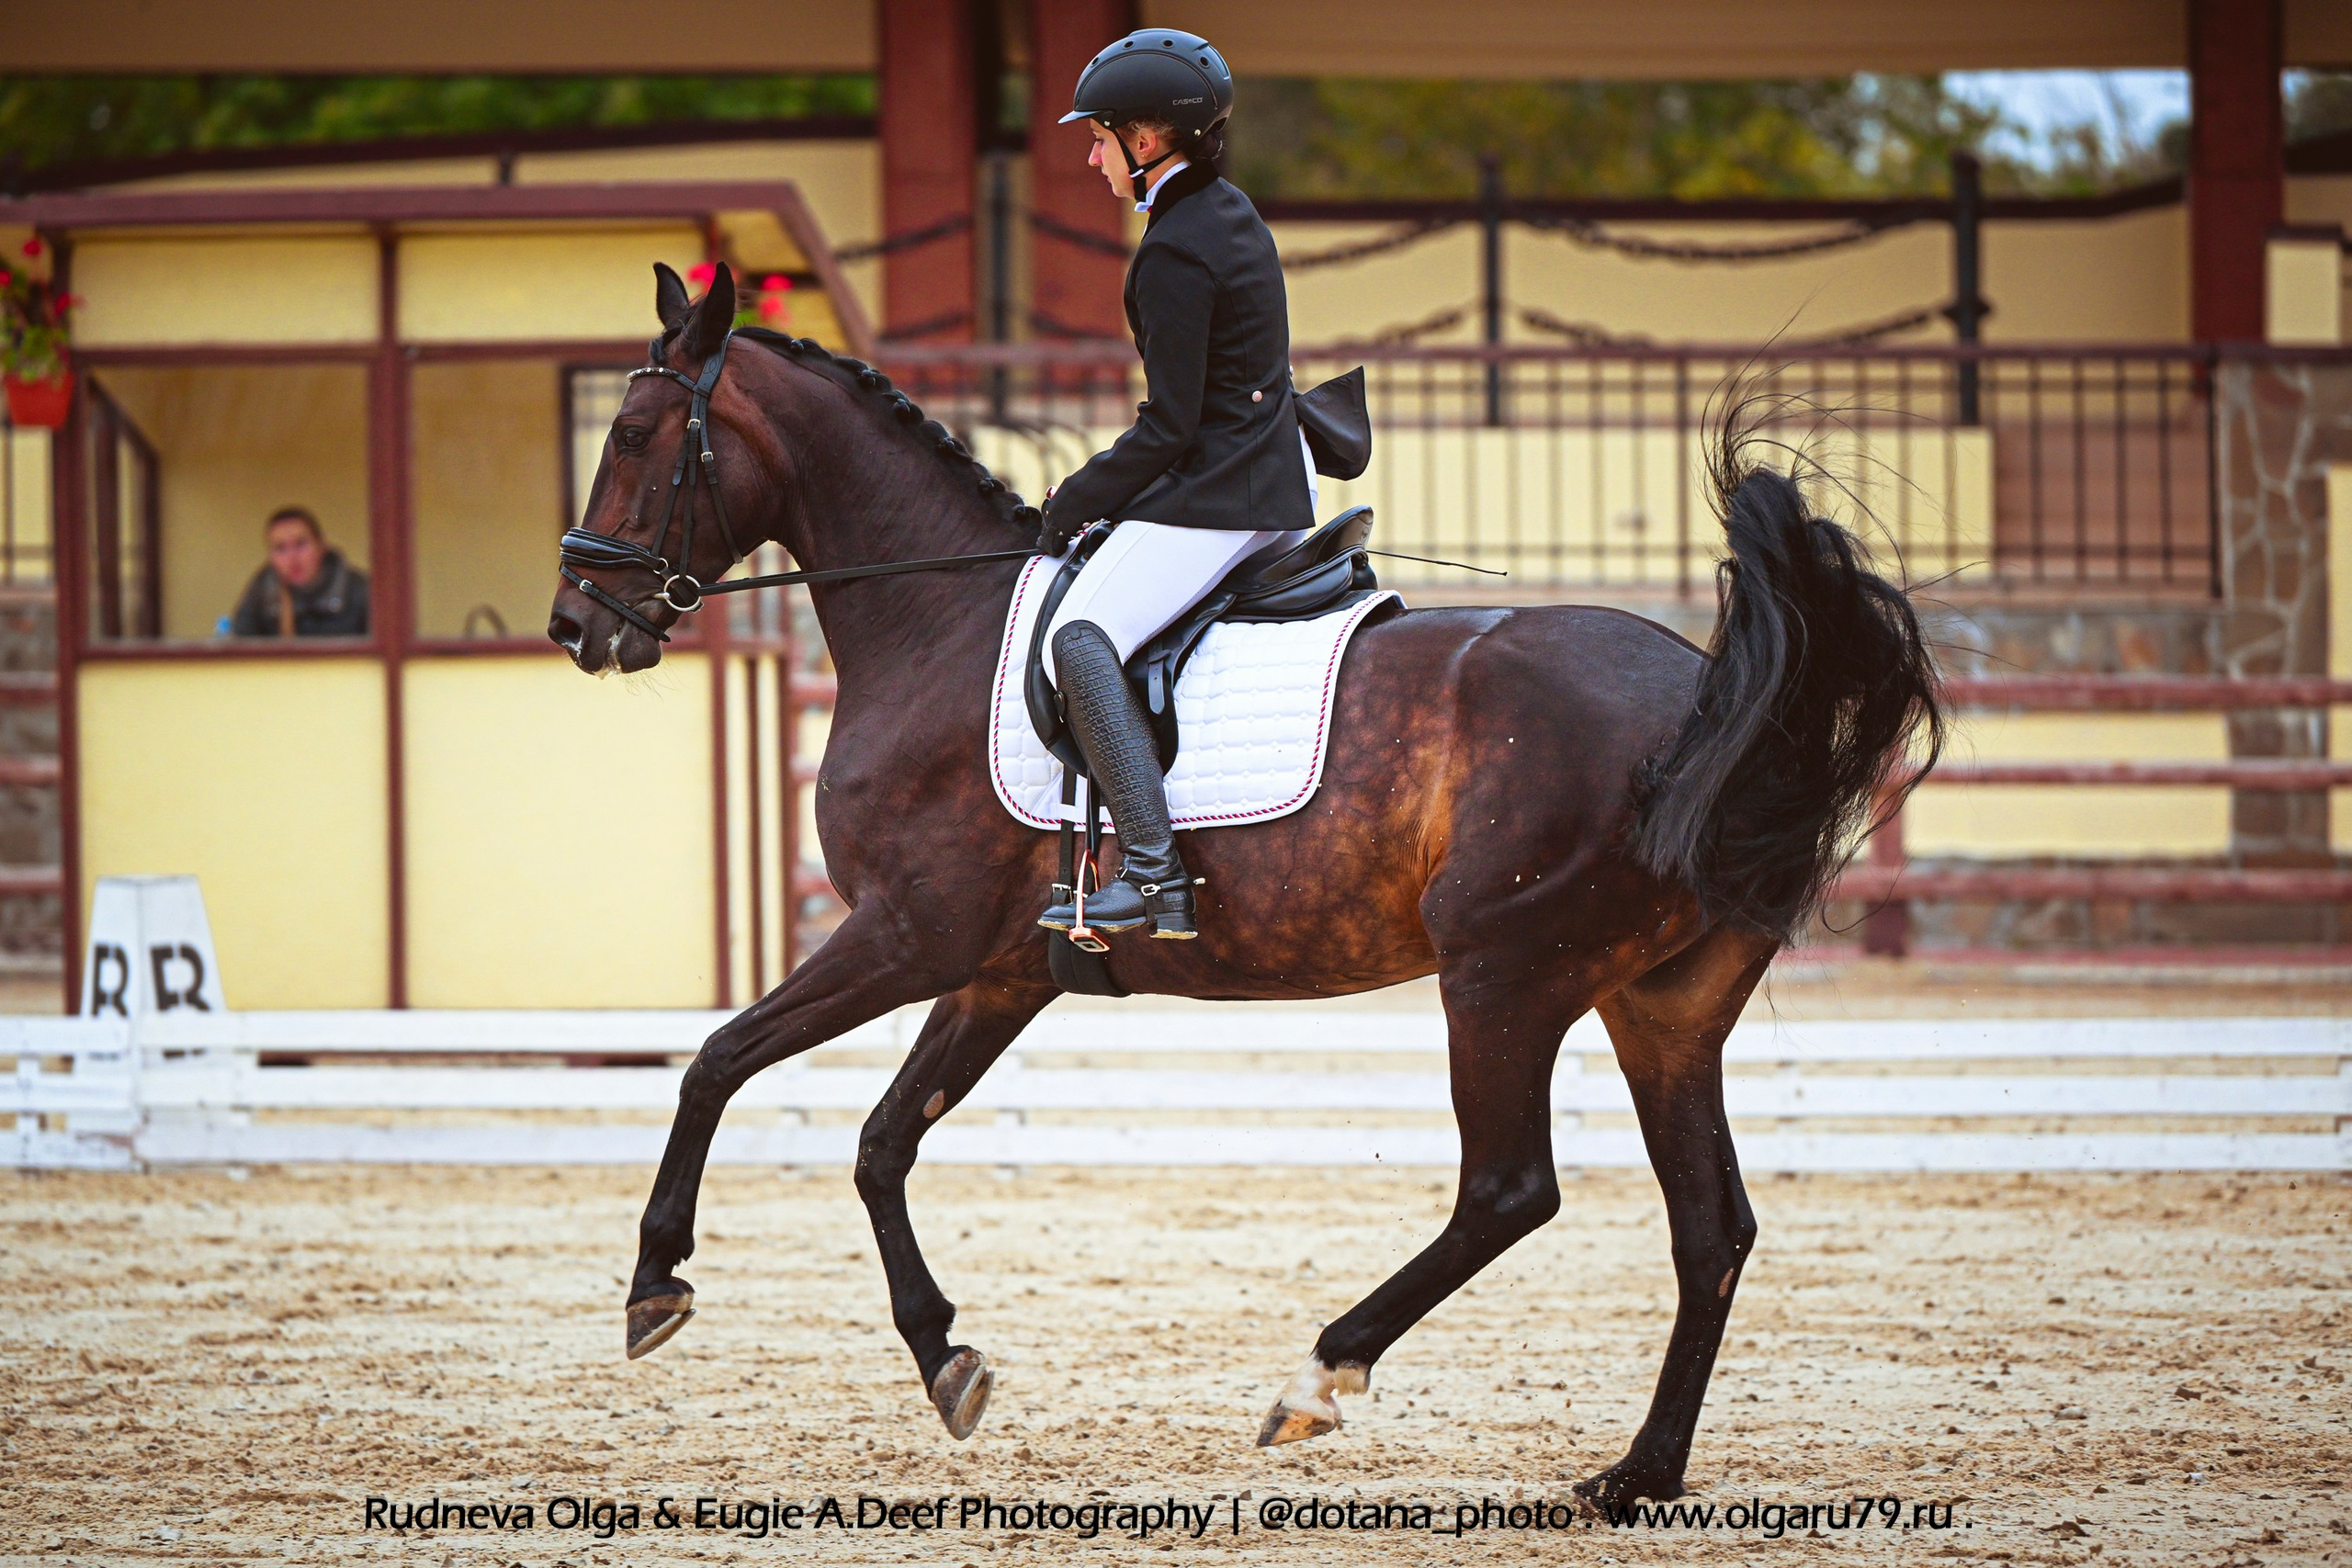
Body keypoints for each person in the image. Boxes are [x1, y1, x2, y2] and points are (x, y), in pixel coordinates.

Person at [1035, 28, 1317, 943]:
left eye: (1099, 137)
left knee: (1079, 639)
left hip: (1222, 495)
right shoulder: (1225, 212)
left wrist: (1070, 501)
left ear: (1147, 139)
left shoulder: (1173, 251)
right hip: (1260, 478)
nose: (1091, 156)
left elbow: (1170, 427)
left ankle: (1154, 878)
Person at [227, 506, 370, 637]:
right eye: (280, 548)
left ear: (322, 546)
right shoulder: (263, 588)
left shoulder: (360, 590)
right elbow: (239, 643)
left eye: (301, 544)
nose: (292, 558)